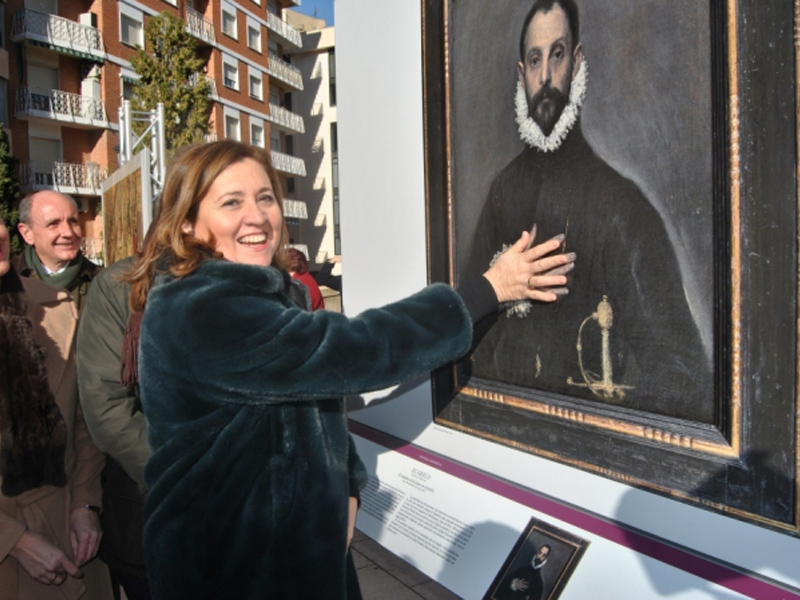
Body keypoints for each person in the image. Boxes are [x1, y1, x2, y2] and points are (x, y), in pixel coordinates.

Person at [122, 140, 574, 600]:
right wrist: (487, 290)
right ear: (188, 224)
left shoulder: (274, 296)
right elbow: (354, 352)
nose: (256, 216)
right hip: (228, 566)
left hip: (292, 556)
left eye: (265, 198)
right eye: (231, 202)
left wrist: (347, 483)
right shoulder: (200, 312)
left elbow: (309, 404)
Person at [465, 0, 713, 422]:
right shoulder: (502, 192)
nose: (546, 77)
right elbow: (468, 329)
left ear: (577, 62)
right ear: (521, 73)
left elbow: (683, 378)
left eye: (557, 55)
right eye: (535, 59)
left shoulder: (621, 207)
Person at [0, 214, 112, 599]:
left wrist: (85, 505)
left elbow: (85, 420)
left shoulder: (56, 306)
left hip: (66, 534)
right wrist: (12, 541)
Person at [76, 257, 153, 600]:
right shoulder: (121, 285)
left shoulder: (283, 288)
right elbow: (107, 410)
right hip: (152, 512)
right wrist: (197, 480)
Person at [13, 191, 102, 313]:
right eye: (53, 224)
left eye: (73, 221)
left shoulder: (104, 283)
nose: (68, 233)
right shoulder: (8, 281)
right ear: (27, 233)